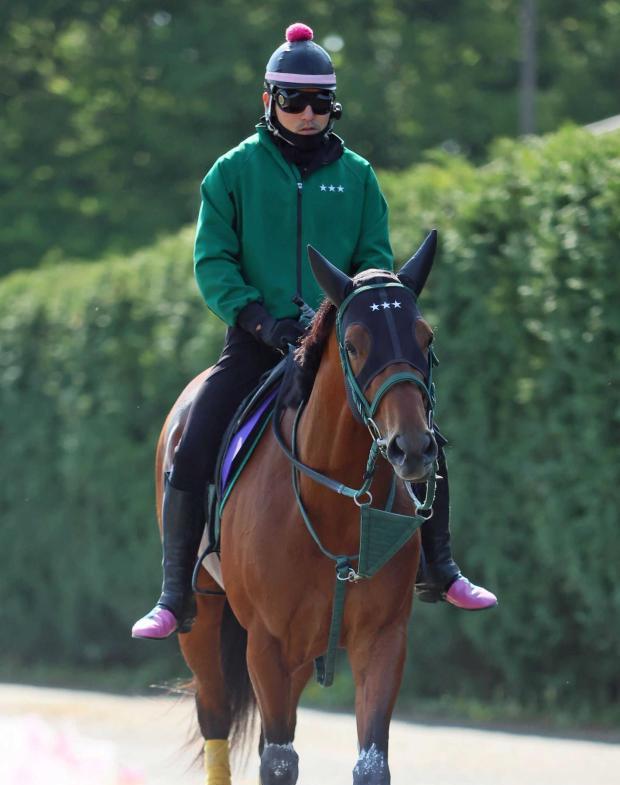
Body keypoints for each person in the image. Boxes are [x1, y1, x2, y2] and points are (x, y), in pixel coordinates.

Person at [132, 23, 497, 640]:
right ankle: (175, 592)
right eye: (293, 101)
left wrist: (353, 319)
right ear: (268, 101)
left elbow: (375, 258)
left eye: (319, 103)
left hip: (343, 347)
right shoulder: (230, 172)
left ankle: (440, 566)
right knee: (191, 445)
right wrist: (257, 318)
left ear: (333, 106)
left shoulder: (358, 175)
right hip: (256, 339)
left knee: (422, 433)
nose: (307, 114)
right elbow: (212, 262)